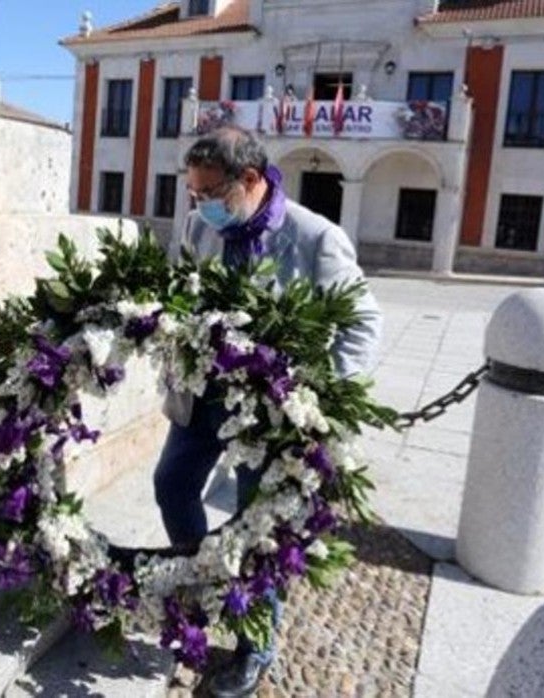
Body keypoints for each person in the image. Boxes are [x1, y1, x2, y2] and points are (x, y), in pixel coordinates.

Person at [153, 126, 383, 697]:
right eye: (193, 193)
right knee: (172, 486)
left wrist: (316, 399)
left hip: (270, 417)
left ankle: (258, 642)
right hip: (203, 398)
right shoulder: (195, 225)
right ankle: (202, 582)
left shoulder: (315, 238)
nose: (200, 205)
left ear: (250, 181)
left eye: (209, 192)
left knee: (260, 527)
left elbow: (361, 324)